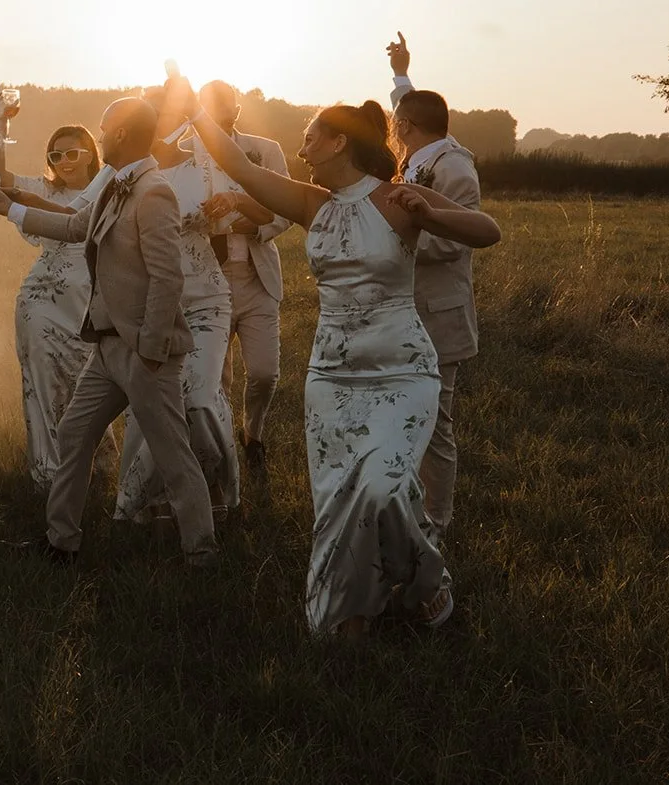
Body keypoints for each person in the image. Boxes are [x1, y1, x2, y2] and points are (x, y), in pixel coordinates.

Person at [178, 77, 500, 636]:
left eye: (309, 138)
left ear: (337, 144)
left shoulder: (397, 198)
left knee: (383, 486)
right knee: (339, 498)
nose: (301, 151)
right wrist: (195, 109)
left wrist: (429, 212)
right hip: (332, 376)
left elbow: (487, 230)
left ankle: (428, 587)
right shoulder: (311, 203)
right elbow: (241, 166)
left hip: (401, 368)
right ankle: (349, 610)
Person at [0, 98, 218, 566]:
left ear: (122, 134)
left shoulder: (153, 192)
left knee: (172, 453)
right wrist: (9, 209)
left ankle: (202, 552)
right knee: (73, 434)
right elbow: (74, 226)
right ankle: (61, 540)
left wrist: (149, 350)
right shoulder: (113, 184)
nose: (100, 135)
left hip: (144, 352)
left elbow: (168, 278)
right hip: (104, 348)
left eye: (104, 129)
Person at [113, 86, 238, 526]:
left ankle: (215, 486)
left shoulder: (205, 164)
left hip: (205, 301)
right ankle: (148, 504)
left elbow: (253, 211)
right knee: (149, 407)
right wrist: (11, 204)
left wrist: (230, 205)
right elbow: (77, 213)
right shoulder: (126, 175)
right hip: (150, 309)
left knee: (200, 398)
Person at [0, 108, 117, 489]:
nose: (64, 162)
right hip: (41, 297)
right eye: (55, 156)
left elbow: (80, 224)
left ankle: (98, 462)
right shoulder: (44, 191)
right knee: (43, 379)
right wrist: (1, 126)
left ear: (91, 154)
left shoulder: (109, 188)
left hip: (90, 301)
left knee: (88, 382)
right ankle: (49, 471)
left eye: (72, 153)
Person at [387, 32, 481, 540]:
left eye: (396, 124)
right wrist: (402, 72)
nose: (392, 128)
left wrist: (389, 242)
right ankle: (406, 507)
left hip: (438, 313)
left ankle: (437, 525)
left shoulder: (454, 168)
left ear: (406, 128)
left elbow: (453, 241)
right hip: (405, 308)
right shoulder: (422, 152)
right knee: (405, 414)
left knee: (436, 423)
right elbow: (411, 107)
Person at [190, 81, 293, 479]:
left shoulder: (264, 151)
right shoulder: (183, 153)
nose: (221, 115)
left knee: (266, 373)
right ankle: (221, 455)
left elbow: (285, 209)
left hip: (256, 277)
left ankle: (254, 434)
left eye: (227, 107)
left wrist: (253, 226)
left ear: (236, 110)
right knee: (216, 378)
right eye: (210, 108)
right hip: (205, 277)